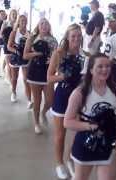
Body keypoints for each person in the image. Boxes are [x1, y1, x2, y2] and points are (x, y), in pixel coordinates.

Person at [64, 53, 116, 180]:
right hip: (85, 144)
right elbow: (67, 122)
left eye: (107, 66)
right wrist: (90, 126)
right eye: (100, 66)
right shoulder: (80, 92)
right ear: (90, 70)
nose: (105, 69)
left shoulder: (115, 90)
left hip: (108, 144)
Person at [47, 24, 86, 179]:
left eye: (78, 36)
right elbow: (49, 78)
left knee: (78, 132)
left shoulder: (85, 54)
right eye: (73, 36)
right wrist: (62, 76)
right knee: (60, 134)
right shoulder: (59, 53)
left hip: (80, 98)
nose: (76, 39)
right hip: (63, 96)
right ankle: (59, 163)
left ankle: (69, 158)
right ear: (67, 38)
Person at [23, 18, 58, 134]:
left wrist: (53, 61)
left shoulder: (53, 40)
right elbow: (25, 55)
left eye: (46, 23)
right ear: (38, 26)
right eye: (41, 23)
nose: (44, 26)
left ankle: (44, 113)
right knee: (36, 100)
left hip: (48, 72)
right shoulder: (32, 38)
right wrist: (37, 53)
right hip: (35, 72)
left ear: (49, 26)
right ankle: (36, 123)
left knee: (50, 100)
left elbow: (57, 56)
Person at [7, 14, 31, 106]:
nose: (24, 22)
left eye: (25, 21)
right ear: (19, 22)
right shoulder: (14, 32)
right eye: (22, 21)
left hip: (25, 58)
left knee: (26, 79)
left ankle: (29, 99)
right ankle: (13, 92)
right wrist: (16, 51)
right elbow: (9, 46)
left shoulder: (29, 33)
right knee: (15, 77)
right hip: (16, 58)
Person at [0, 9, 18, 84]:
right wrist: (6, 39)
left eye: (15, 14)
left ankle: (10, 78)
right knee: (9, 65)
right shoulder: (5, 23)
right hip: (7, 45)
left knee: (12, 65)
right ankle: (10, 81)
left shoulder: (17, 24)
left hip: (15, 47)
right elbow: (0, 35)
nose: (14, 16)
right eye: (13, 14)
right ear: (10, 15)